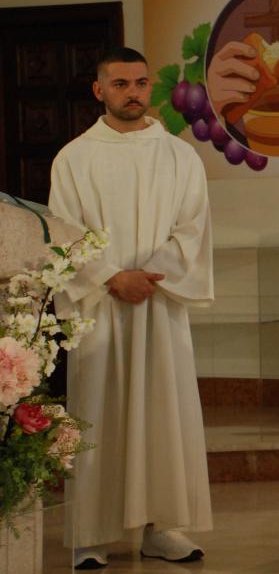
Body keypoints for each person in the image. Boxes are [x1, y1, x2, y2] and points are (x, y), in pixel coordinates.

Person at [48, 47, 214, 569]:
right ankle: (91, 534)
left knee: (164, 414)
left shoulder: (180, 157)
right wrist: (112, 277)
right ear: (99, 90)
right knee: (97, 416)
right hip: (101, 307)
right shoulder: (74, 158)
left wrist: (149, 276)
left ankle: (162, 528)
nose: (133, 93)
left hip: (159, 305)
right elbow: (64, 232)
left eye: (141, 83)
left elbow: (192, 228)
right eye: (120, 84)